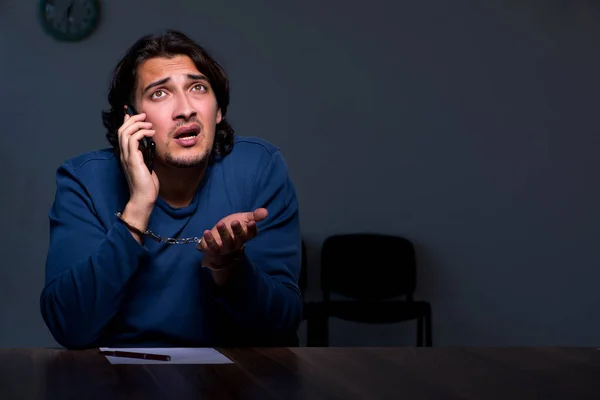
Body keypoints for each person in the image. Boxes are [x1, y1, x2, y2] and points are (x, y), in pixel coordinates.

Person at [40, 30, 303, 349]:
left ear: (218, 110)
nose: (185, 108)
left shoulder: (259, 168)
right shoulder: (84, 180)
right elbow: (69, 327)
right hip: (118, 380)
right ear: (132, 119)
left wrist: (230, 268)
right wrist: (138, 207)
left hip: (234, 380)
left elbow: (282, 327)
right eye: (159, 94)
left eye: (198, 88)